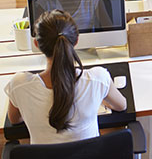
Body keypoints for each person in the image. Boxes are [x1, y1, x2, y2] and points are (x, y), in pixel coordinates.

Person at [4, 10, 126, 144]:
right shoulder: (98, 79)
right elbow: (121, 106)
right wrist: (99, 99)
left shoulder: (19, 84)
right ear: (76, 41)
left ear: (37, 44)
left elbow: (15, 119)